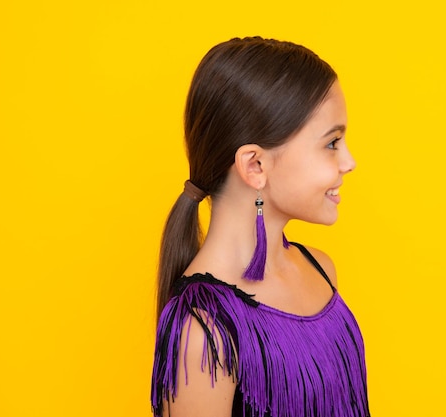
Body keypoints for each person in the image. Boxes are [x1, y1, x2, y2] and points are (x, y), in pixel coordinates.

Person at [150, 36, 370, 417]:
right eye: (332, 143)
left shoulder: (321, 270)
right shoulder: (202, 331)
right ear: (255, 165)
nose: (349, 161)